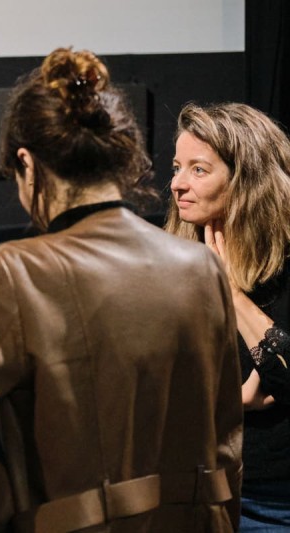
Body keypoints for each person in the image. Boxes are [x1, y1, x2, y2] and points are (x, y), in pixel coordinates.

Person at [0, 47, 243, 532]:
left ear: (27, 162)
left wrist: (21, 515)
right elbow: (226, 444)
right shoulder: (199, 266)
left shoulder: (16, 272)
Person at [166, 101, 290, 531]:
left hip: (270, 500)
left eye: (198, 169)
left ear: (247, 179)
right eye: (177, 167)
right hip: (193, 486)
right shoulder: (172, 258)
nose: (178, 184)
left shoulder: (284, 262)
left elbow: (286, 375)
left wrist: (231, 292)